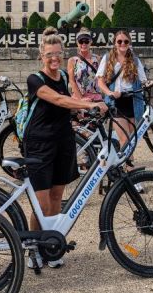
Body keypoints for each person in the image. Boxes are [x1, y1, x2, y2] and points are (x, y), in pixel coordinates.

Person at [24, 27, 107, 268]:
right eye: (49, 54)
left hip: (63, 141)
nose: (54, 58)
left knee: (56, 198)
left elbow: (67, 105)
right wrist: (86, 104)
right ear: (42, 55)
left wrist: (86, 109)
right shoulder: (35, 79)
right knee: (41, 203)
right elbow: (58, 100)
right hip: (39, 145)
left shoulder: (62, 74)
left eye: (58, 53)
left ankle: (49, 246)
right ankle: (33, 248)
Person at [96, 30, 148, 150]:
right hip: (116, 102)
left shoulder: (134, 60)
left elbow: (143, 80)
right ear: (115, 43)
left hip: (133, 102)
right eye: (119, 41)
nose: (122, 44)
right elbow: (100, 81)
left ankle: (128, 165)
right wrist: (110, 93)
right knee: (124, 139)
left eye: (126, 41)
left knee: (132, 139)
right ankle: (129, 167)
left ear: (129, 43)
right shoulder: (108, 58)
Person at [67, 27, 102, 101]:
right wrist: (81, 98)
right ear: (77, 43)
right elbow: (72, 81)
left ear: (90, 42)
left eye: (86, 41)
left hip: (95, 97)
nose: (84, 44)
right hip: (78, 97)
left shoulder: (97, 59)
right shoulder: (72, 60)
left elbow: (101, 79)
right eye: (81, 41)